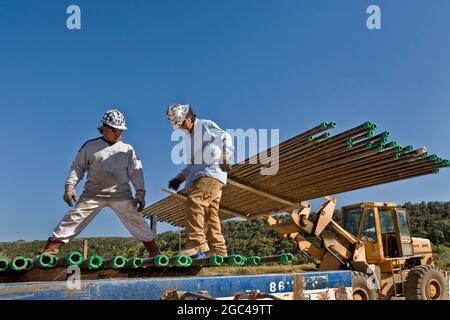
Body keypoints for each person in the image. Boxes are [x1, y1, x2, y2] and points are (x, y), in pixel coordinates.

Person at [41, 109, 160, 257]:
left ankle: (154, 253)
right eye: (115, 130)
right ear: (104, 127)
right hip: (93, 194)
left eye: (121, 130)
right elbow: (77, 167)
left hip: (121, 195)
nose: (119, 134)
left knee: (136, 221)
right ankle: (50, 250)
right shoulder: (90, 147)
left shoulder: (127, 150)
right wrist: (69, 187)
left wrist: (140, 192)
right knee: (74, 218)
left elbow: (136, 172)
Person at [166, 103, 234, 258]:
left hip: (211, 173)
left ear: (189, 117)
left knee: (195, 202)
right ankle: (218, 250)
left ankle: (196, 243)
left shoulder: (204, 125)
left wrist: (226, 155)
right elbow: (192, 164)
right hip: (203, 175)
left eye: (182, 123)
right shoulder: (189, 139)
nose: (181, 128)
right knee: (211, 214)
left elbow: (226, 137)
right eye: (178, 127)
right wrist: (180, 178)